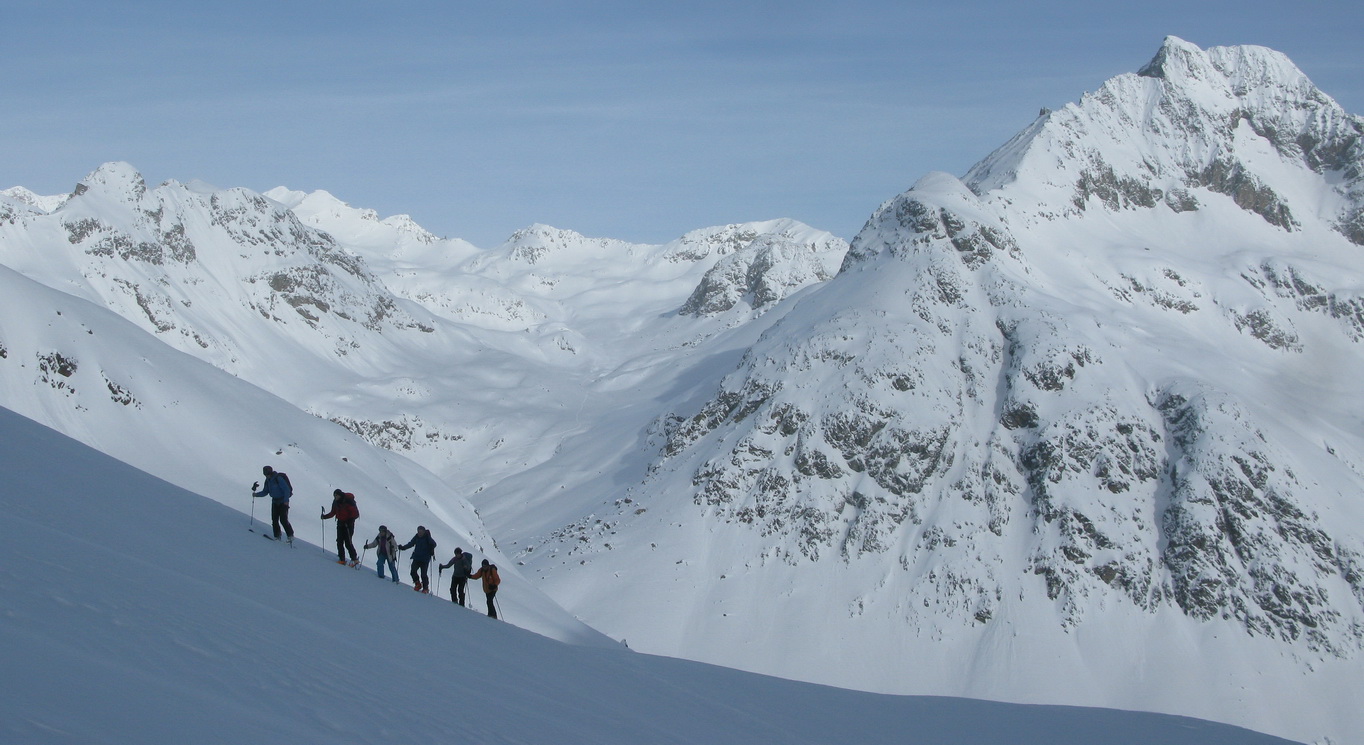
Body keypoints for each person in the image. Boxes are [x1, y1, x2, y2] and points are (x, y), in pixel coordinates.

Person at [251, 465, 294, 543]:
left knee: (283, 520)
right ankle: (277, 536)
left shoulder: (278, 478)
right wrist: (256, 495)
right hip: (275, 501)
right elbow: (265, 492)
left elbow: (286, 490)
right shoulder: (268, 481)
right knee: (274, 520)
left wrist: (286, 501)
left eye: (267, 474)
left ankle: (290, 536)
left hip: (283, 501)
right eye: (265, 474)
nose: (266, 476)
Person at [320, 489, 360, 566]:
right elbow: (333, 513)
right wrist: (325, 517)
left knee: (348, 542)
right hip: (341, 524)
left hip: (348, 525)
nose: (335, 497)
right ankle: (342, 559)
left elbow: (355, 514)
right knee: (339, 541)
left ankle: (354, 559)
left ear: (340, 495)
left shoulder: (348, 502)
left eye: (336, 495)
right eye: (334, 496)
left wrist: (349, 521)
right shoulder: (336, 503)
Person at [400, 526, 437, 593]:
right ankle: (418, 584)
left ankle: (425, 588)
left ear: (424, 531)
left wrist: (430, 546)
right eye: (418, 531)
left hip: (424, 559)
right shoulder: (416, 536)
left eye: (421, 532)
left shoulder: (427, 537)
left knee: (423, 574)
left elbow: (434, 544)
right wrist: (403, 547)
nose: (419, 533)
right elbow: (411, 543)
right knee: (413, 571)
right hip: (417, 557)